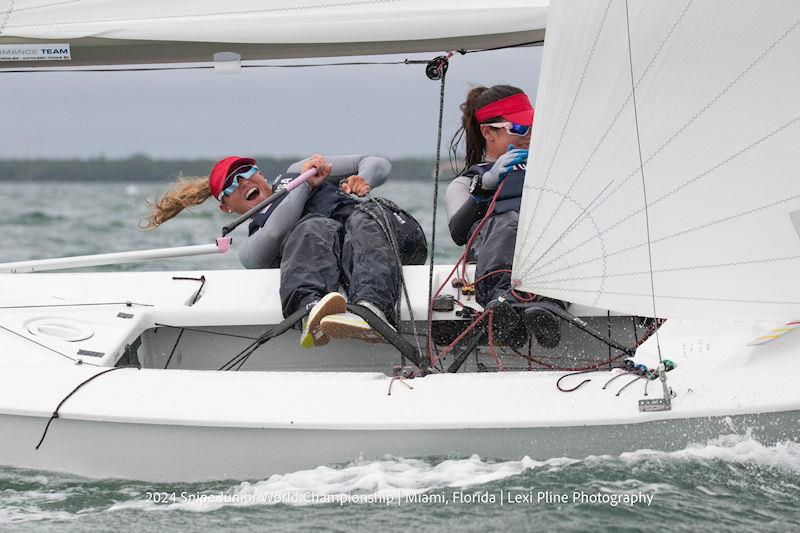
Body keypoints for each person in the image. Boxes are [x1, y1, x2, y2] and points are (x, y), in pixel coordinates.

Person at [144, 154, 427, 348]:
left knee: (361, 217)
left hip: (391, 237)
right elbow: (279, 231)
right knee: (312, 226)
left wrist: (362, 178)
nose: (243, 182)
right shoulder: (254, 243)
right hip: (345, 257)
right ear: (226, 208)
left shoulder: (297, 169)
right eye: (231, 186)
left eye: (246, 172)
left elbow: (376, 162)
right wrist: (305, 185)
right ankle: (312, 315)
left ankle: (373, 311)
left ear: (260, 174)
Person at [445, 85, 566, 348]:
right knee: (509, 219)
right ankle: (503, 311)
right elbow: (457, 232)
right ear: (488, 131)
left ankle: (547, 311)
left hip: (544, 251)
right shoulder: (466, 183)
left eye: (534, 128)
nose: (529, 136)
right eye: (519, 129)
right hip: (495, 257)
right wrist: (486, 185)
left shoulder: (553, 172)